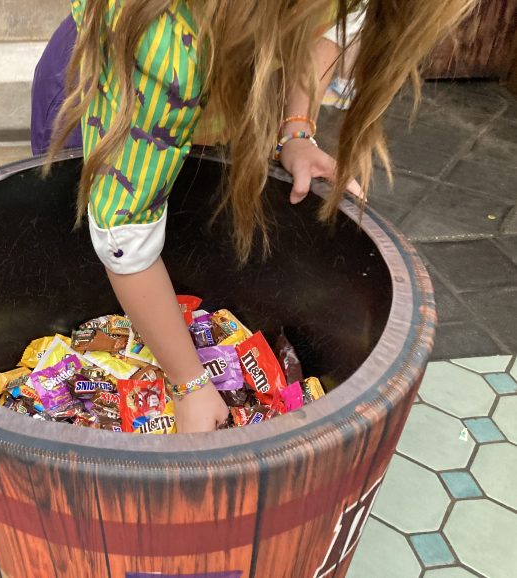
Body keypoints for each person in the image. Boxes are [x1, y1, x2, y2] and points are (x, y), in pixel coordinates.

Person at [40, 0, 473, 433]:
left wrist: (296, 128)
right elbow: (122, 234)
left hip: (219, 79)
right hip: (109, 92)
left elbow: (317, 31)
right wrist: (189, 384)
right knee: (96, 259)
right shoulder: (168, 47)